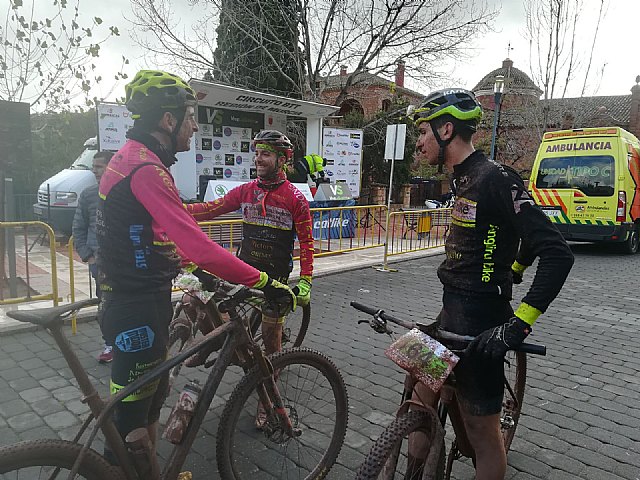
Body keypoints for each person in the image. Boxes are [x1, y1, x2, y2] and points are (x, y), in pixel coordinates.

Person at [96, 70, 296, 465]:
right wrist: (266, 282)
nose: (194, 126)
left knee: (150, 403)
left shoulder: (132, 160)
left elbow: (153, 226)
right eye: (190, 117)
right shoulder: (148, 169)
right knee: (130, 424)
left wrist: (178, 250)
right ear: (168, 121)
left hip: (131, 296)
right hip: (136, 305)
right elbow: (201, 248)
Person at [408, 88, 574, 479]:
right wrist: (514, 265)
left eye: (424, 133)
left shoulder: (497, 178)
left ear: (446, 129)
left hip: (484, 326)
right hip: (450, 313)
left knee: (483, 436)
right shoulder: (460, 179)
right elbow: (501, 235)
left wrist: (518, 325)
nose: (419, 142)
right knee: (417, 401)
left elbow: (555, 252)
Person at [186, 130, 314, 357]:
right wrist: (172, 209)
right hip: (244, 270)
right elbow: (209, 209)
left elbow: (306, 242)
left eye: (265, 154)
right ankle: (225, 344)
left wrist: (305, 281)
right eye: (256, 153)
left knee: (270, 338)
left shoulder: (296, 198)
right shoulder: (246, 191)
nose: (258, 159)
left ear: (282, 160)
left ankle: (270, 378)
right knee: (194, 298)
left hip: (275, 277)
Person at [72, 150, 114, 363]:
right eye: (93, 166)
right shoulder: (88, 194)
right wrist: (88, 257)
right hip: (99, 263)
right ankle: (110, 345)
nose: (94, 171)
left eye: (99, 166)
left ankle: (125, 344)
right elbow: (78, 228)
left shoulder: (124, 192)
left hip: (124, 263)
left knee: (125, 305)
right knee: (105, 306)